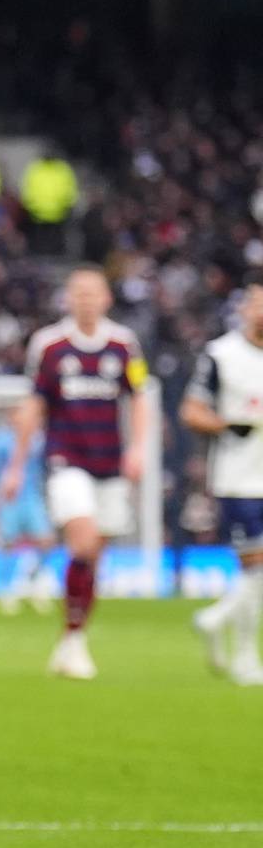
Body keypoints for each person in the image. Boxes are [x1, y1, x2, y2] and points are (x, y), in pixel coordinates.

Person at [1, 266, 153, 680]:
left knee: (93, 556)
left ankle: (72, 638)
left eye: (93, 293)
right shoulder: (50, 345)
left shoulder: (124, 344)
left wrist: (138, 448)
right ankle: (74, 642)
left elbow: (138, 398)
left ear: (107, 298)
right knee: (84, 545)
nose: (85, 300)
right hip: (66, 460)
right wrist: (15, 466)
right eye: (78, 293)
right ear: (67, 299)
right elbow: (35, 404)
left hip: (110, 461)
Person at [180, 279, 263, 684]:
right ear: (245, 308)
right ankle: (244, 654)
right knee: (256, 570)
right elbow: (192, 410)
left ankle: (218, 622)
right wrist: (227, 425)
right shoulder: (221, 354)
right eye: (257, 303)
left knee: (256, 576)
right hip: (240, 480)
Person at [0, 420, 52, 614]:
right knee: (8, 544)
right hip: (7, 498)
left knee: (46, 541)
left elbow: (47, 464)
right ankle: (6, 590)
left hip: (32, 497)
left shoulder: (38, 437)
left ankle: (33, 581)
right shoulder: (0, 438)